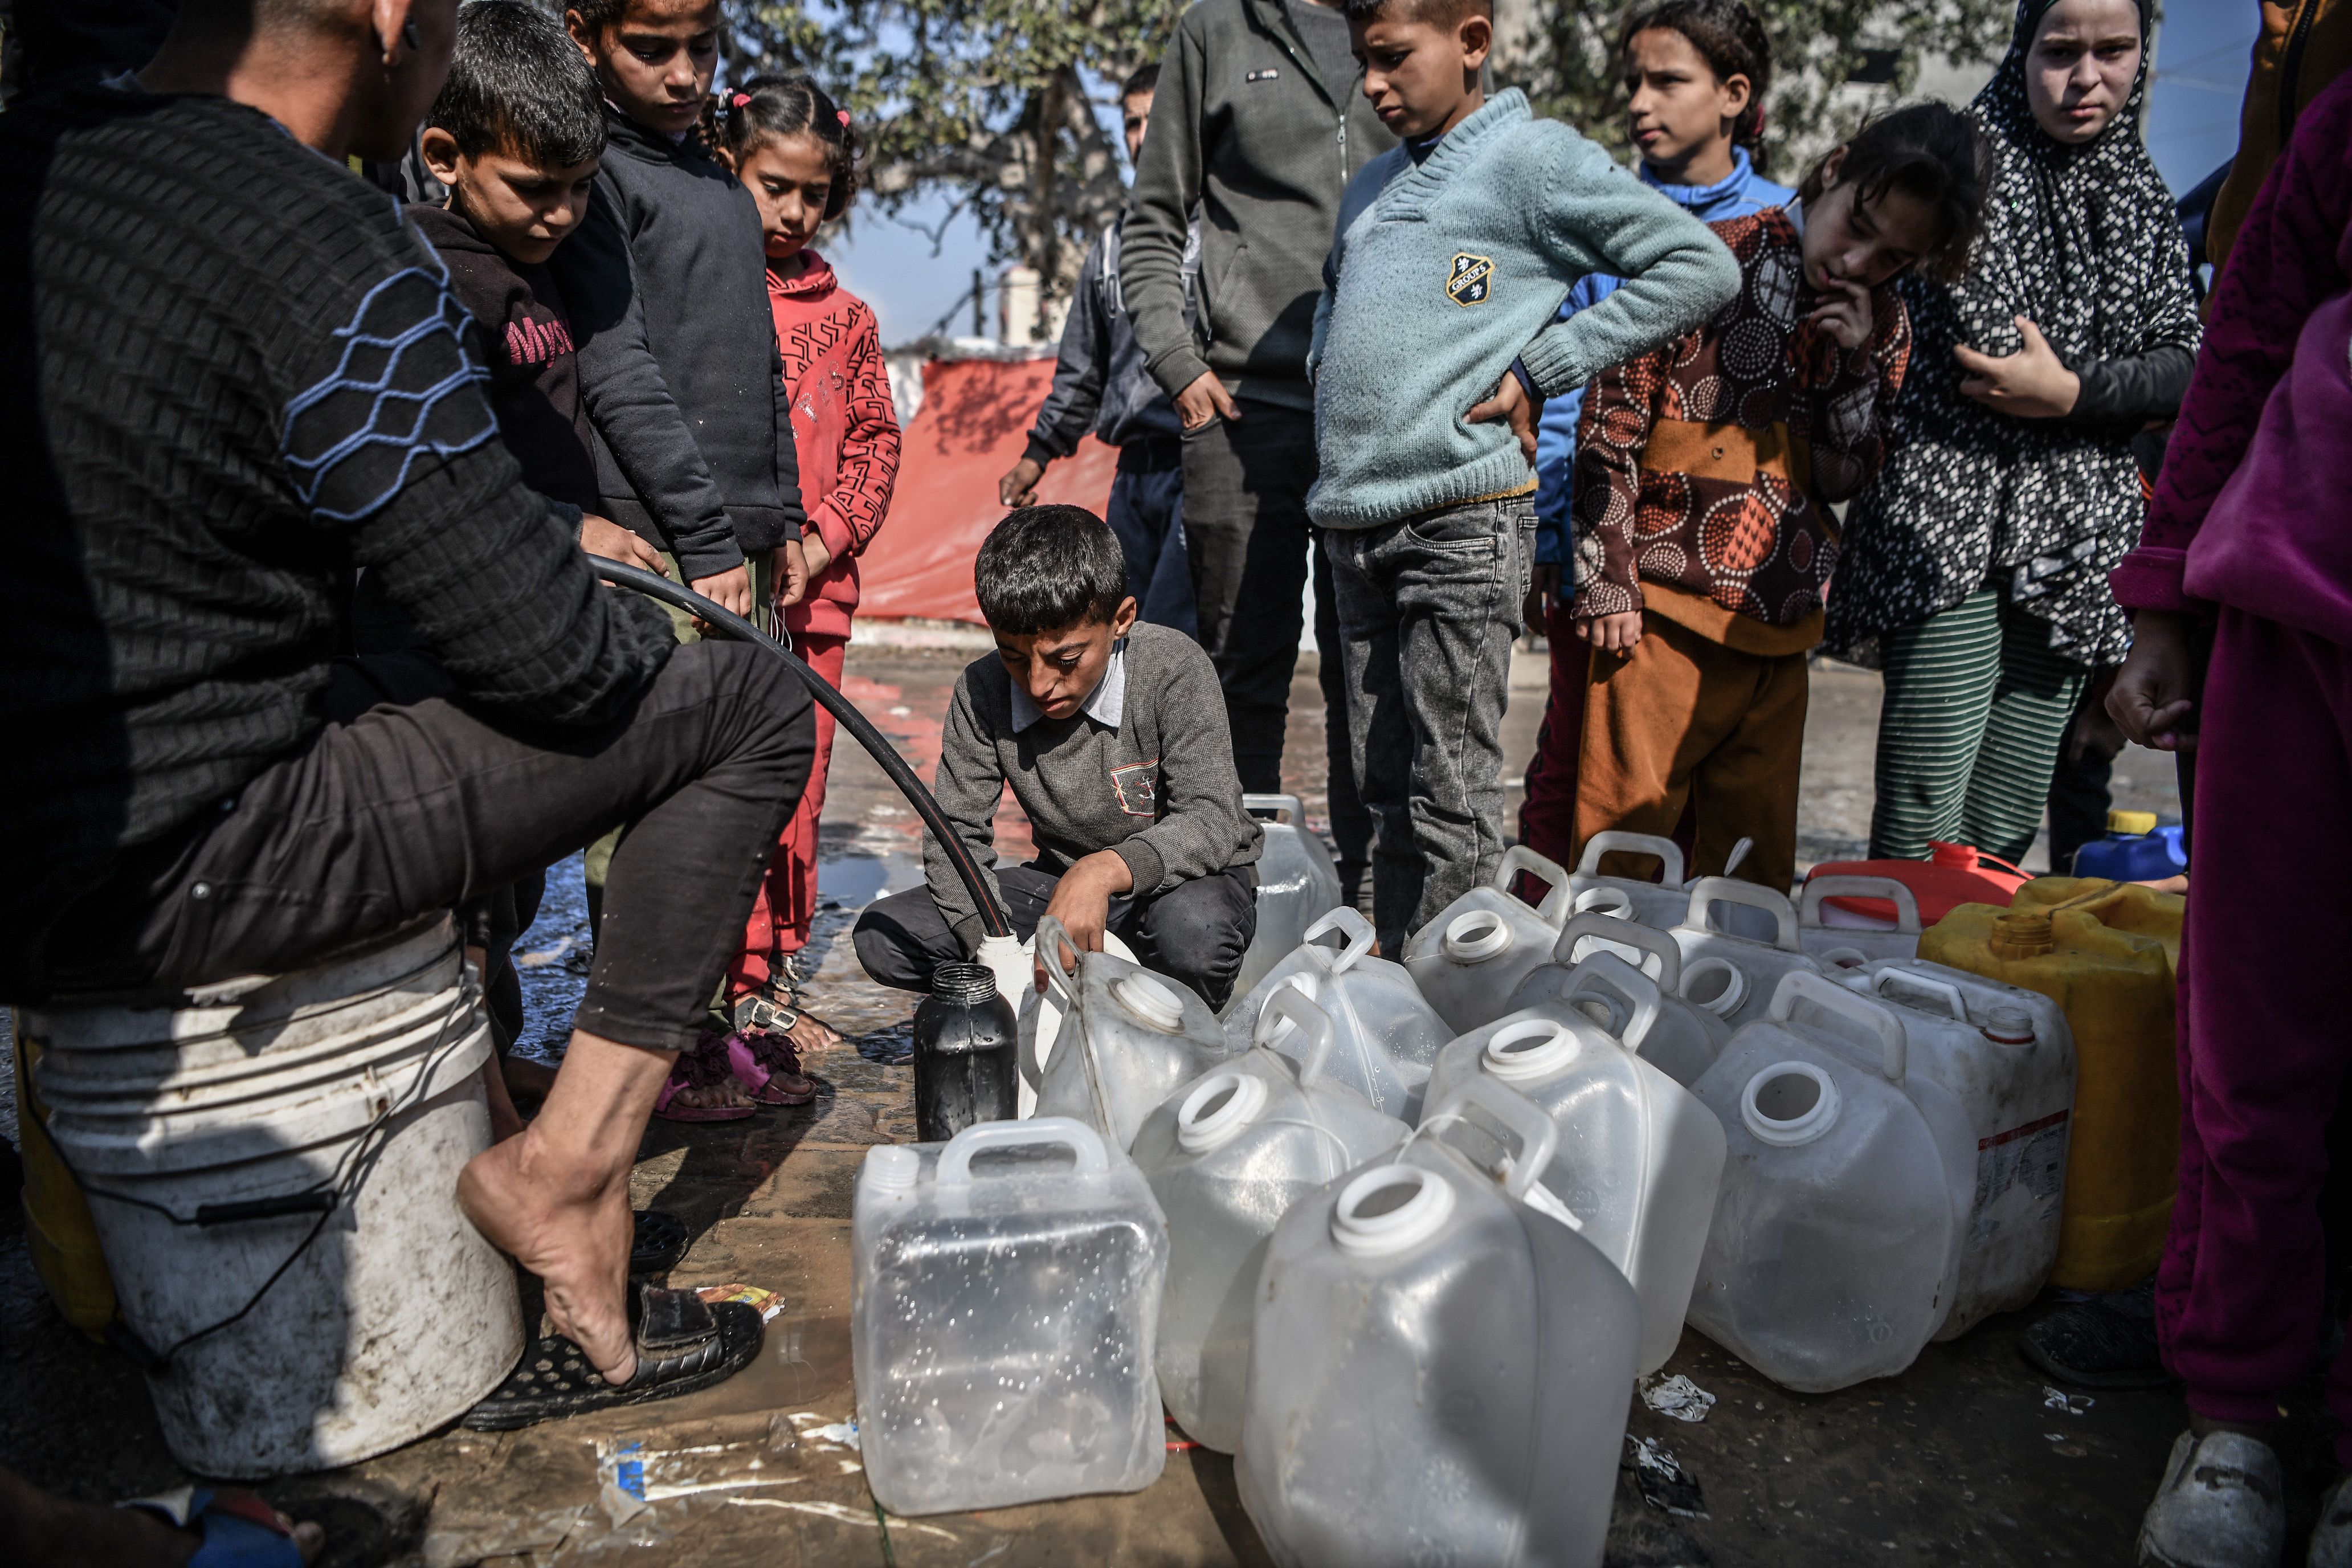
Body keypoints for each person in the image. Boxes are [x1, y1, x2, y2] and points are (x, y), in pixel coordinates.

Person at [0, 0, 814, 1407]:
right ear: (391, 22)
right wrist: (600, 590)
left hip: (38, 868)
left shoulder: (37, 161)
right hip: (200, 854)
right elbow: (543, 659)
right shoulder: (313, 227)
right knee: (743, 700)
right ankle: (566, 1184)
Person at [1308, 0, 1739, 952]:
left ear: (1470, 42)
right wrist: (1322, 372)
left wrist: (1542, 366)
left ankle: (1452, 1001)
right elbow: (1335, 298)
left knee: (1448, 789)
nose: (1371, 85)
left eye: (1390, 59)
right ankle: (1392, 987)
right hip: (1352, 523)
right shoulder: (1372, 184)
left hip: (1461, 516)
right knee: (1378, 787)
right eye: (1360, 63)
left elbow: (1695, 266)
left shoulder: (1535, 163)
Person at [397, 0, 756, 1115]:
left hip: (526, 603)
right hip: (458, 625)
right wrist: (570, 524)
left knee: (507, 883)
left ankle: (502, 1068)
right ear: (445, 157)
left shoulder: (525, 264)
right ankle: (486, 1094)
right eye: (536, 190)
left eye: (577, 188)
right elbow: (429, 468)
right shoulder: (433, 281)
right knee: (472, 884)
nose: (562, 214)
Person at [2110, 66, 2352, 1568]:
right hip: (2289, 617)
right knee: (2255, 1033)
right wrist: (2163, 598)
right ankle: (2236, 1413)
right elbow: (2244, 345)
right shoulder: (2339, 129)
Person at [1570, 104, 1987, 897]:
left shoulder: (1883, 326)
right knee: (1619, 859)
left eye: (1893, 257)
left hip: (1780, 633)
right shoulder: (1701, 261)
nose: (1857, 262)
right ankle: (1591, 1007)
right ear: (1833, 170)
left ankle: (1732, 1019)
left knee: (1752, 877)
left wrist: (1855, 364)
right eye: (1856, 226)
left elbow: (1843, 476)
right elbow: (1610, 418)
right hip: (1655, 622)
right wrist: (1606, 575)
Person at [1826, 0, 2200, 867]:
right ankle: (1879, 990)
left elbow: (2186, 364)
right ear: (2021, 48)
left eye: (2114, 52)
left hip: (2077, 538)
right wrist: (2111, 391)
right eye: (2060, 51)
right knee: (1925, 803)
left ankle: (1964, 987)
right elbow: (1988, 355)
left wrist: (2068, 390)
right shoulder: (1968, 158)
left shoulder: (2140, 193)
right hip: (1947, 524)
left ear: (2142, 57)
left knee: (2009, 807)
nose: (2085, 78)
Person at [1121, 0, 1398, 916]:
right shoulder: (1216, 31)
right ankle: (1235, 908)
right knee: (1243, 671)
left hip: (1381, 405)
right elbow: (1154, 217)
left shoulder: (1407, 23)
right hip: (1242, 407)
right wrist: (1178, 362)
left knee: (1372, 672)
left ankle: (1375, 912)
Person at [1515, 0, 1791, 867]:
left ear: (1733, 94)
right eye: (1634, 80)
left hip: (1740, 569)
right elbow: (1561, 394)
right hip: (1610, 560)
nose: (1642, 100)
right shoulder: (1599, 217)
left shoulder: (1785, 228)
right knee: (1580, 767)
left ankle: (1706, 975)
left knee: (1723, 788)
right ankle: (1550, 946)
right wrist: (1556, 542)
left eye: (1668, 80)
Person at [560, 0, 809, 939]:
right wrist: (704, 535)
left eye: (701, 48)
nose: (682, 74)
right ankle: (640, 1046)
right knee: (647, 797)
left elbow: (762, 362)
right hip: (659, 548)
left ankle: (706, 1032)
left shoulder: (716, 180)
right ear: (585, 35)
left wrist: (778, 514)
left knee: (723, 795)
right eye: (650, 49)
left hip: (739, 545)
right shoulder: (599, 178)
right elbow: (616, 370)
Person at [854, 507, 1264, 1010]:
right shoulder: (981, 691)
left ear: (1121, 621)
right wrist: (994, 945)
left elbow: (1212, 819)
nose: (1040, 684)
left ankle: (1174, 1027)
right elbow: (955, 833)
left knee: (1194, 935)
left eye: (1066, 660)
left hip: (1179, 886)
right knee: (885, 937)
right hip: (1059, 881)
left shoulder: (1173, 667)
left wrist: (1098, 873)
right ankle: (1053, 1004)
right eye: (1014, 657)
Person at [714, 72, 901, 1068]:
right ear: (724, 168)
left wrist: (821, 543)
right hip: (710, 599)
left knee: (799, 789)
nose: (791, 211)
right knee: (723, 789)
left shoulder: (850, 320)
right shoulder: (696, 299)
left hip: (812, 607)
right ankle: (723, 988)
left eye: (812, 193)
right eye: (770, 185)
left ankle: (771, 983)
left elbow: (876, 446)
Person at [999, 63, 1198, 636]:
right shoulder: (1110, 248)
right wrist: (1037, 454)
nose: (1142, 137)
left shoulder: (1226, 235)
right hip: (1135, 472)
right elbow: (1082, 371)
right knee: (1121, 628)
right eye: (1131, 124)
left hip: (1204, 462)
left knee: (1174, 634)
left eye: (1156, 121)